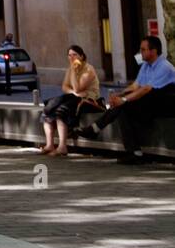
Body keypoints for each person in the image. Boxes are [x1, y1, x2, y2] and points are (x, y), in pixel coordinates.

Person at [77, 35, 175, 163]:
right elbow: (135, 86)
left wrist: (123, 100)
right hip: (150, 103)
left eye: (143, 49)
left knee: (123, 105)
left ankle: (96, 129)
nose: (141, 53)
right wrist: (119, 95)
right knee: (121, 108)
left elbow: (146, 89)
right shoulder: (146, 65)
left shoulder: (164, 66)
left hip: (166, 106)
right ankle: (135, 152)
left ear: (154, 51)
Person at [40, 45, 103, 156]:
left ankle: (62, 146)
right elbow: (65, 87)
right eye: (69, 55)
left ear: (82, 56)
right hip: (75, 97)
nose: (72, 58)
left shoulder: (89, 69)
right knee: (48, 110)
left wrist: (74, 71)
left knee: (61, 111)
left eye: (75, 55)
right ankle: (49, 144)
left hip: (89, 100)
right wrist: (73, 92)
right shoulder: (70, 69)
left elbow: (78, 87)